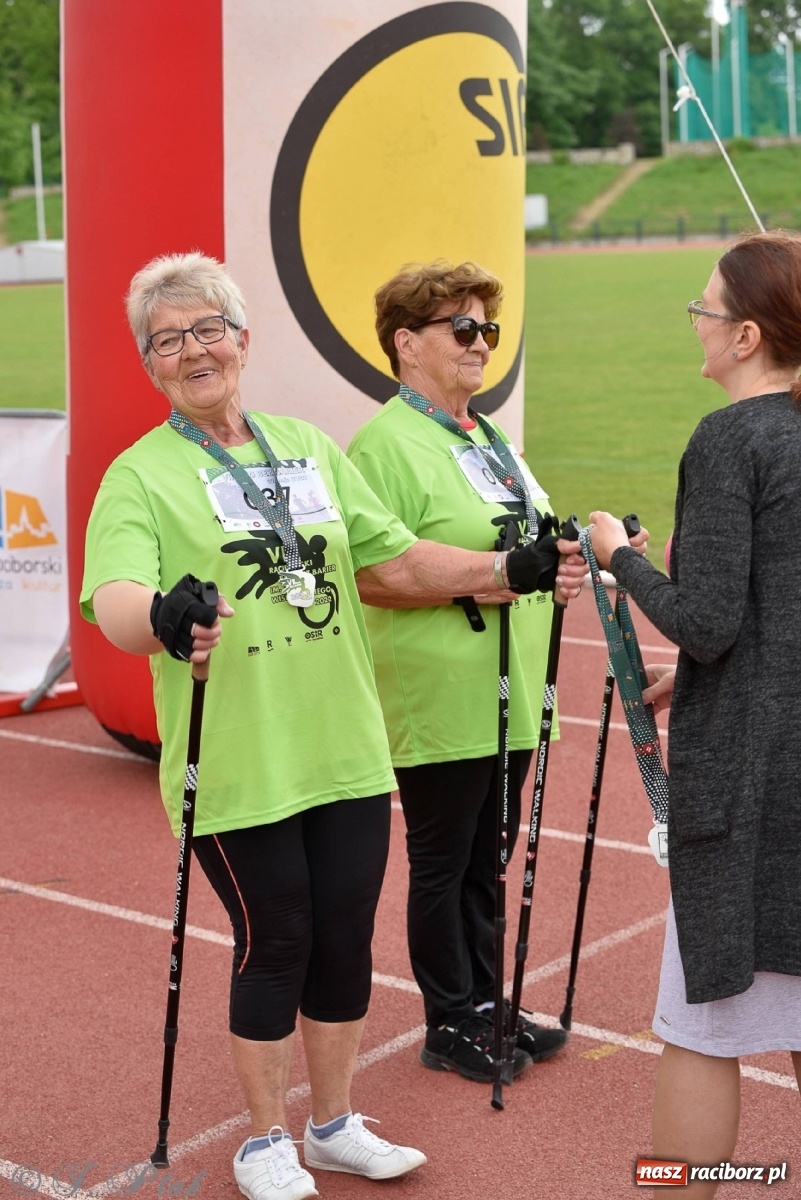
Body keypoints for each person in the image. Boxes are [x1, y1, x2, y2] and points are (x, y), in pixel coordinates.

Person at [79, 252, 585, 1200]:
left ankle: (333, 1125)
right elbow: (112, 599)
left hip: (345, 751)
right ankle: (264, 1140)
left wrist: (504, 570)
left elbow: (395, 560)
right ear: (149, 363)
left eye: (208, 329)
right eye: (167, 339)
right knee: (279, 941)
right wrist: (161, 615)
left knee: (345, 940)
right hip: (240, 761)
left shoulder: (308, 446)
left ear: (242, 340)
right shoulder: (139, 475)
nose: (193, 350)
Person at [588, 230, 801, 1199]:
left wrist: (619, 558)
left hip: (755, 783)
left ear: (746, 335)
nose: (695, 323)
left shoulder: (731, 438)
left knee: (703, 1024)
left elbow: (708, 623)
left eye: (703, 308)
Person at [346, 260, 586, 1082]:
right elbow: (371, 572)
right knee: (446, 861)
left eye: (487, 327)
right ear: (406, 343)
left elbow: (521, 541)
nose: (480, 342)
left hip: (511, 679)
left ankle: (487, 1002)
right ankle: (449, 1019)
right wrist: (493, 573)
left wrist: (564, 553)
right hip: (440, 687)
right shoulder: (383, 444)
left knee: (490, 855)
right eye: (461, 328)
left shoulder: (486, 435)